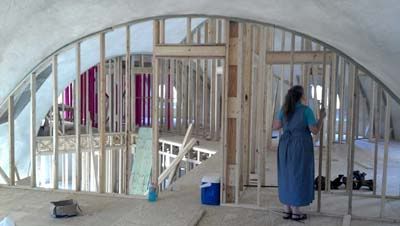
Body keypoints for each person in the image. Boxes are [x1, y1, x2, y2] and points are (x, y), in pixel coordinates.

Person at [272, 85, 326, 221]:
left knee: (286, 174)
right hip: (300, 145)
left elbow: (276, 126)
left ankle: (286, 210)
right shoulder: (306, 111)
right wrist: (321, 118)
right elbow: (314, 131)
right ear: (301, 96)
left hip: (285, 144)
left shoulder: (284, 109)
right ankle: (296, 211)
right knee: (298, 174)